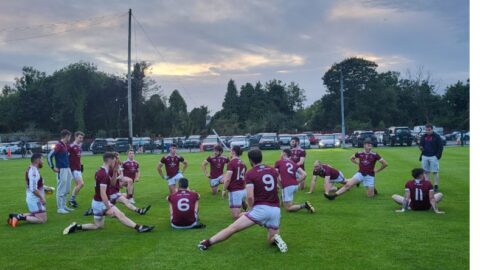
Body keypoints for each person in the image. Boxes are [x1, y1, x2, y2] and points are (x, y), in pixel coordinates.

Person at [198, 149, 288, 253]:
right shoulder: (272, 170)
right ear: (261, 157)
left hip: (261, 209)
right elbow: (280, 185)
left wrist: (251, 209)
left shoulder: (250, 173)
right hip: (275, 210)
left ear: (250, 159)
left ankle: (206, 243)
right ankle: (277, 238)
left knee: (232, 228)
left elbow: (250, 197)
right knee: (271, 238)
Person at [63, 152, 154, 235]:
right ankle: (139, 228)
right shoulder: (103, 174)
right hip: (100, 203)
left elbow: (112, 183)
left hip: (96, 202)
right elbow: (103, 194)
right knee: (120, 214)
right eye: (115, 161)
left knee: (98, 226)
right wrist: (108, 208)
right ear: (110, 160)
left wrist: (114, 172)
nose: (116, 163)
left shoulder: (104, 171)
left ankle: (76, 226)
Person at [84, 152, 151, 216]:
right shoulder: (110, 168)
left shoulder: (116, 166)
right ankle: (139, 210)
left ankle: (93, 210)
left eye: (118, 158)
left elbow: (120, 176)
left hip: (114, 189)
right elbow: (110, 181)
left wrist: (119, 177)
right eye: (117, 158)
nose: (118, 159)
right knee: (124, 201)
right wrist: (117, 177)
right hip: (111, 191)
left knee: (120, 200)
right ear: (113, 159)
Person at [8, 153, 47, 227]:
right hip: (35, 199)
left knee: (37, 214)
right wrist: (42, 198)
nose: (43, 162)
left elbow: (29, 184)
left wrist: (44, 187)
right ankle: (18, 217)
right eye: (42, 159)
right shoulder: (34, 172)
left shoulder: (30, 168)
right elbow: (33, 189)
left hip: (32, 197)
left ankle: (15, 216)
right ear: (38, 160)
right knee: (42, 219)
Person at [274, 149, 315, 213]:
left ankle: (304, 205)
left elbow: (275, 174)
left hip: (287, 186)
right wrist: (296, 182)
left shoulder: (278, 162)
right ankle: (285, 202)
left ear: (284, 154)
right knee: (287, 198)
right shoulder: (293, 163)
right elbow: (304, 174)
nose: (280, 155)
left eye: (281, 153)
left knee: (288, 208)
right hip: (295, 186)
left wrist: (279, 184)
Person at [47, 129, 74, 214]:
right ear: (66, 136)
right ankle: (60, 208)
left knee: (67, 188)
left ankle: (64, 206)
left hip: (67, 168)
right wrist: (52, 167)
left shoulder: (64, 145)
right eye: (69, 136)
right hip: (61, 169)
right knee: (61, 188)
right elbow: (49, 156)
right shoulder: (59, 145)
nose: (70, 138)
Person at [222, 145, 247, 220]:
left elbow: (228, 179)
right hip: (242, 190)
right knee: (238, 211)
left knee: (235, 216)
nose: (230, 152)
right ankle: (243, 203)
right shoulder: (243, 163)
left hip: (235, 191)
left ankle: (255, 213)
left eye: (230, 150)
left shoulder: (231, 163)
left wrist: (224, 189)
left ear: (233, 152)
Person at [419, 123, 444, 192]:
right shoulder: (423, 136)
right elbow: (421, 144)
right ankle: (427, 186)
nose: (427, 131)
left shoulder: (437, 136)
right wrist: (420, 147)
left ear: (432, 129)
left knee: (435, 172)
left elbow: (441, 147)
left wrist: (437, 156)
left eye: (429, 130)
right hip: (424, 156)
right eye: (426, 130)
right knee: (426, 172)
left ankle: (436, 185)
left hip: (433, 156)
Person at [68, 131, 85, 208]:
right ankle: (71, 200)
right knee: (81, 184)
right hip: (73, 168)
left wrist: (81, 165)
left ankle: (72, 200)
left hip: (78, 167)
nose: (81, 139)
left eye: (82, 138)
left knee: (78, 184)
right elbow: (66, 156)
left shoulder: (79, 146)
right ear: (75, 137)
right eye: (80, 137)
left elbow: (79, 156)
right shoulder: (71, 146)